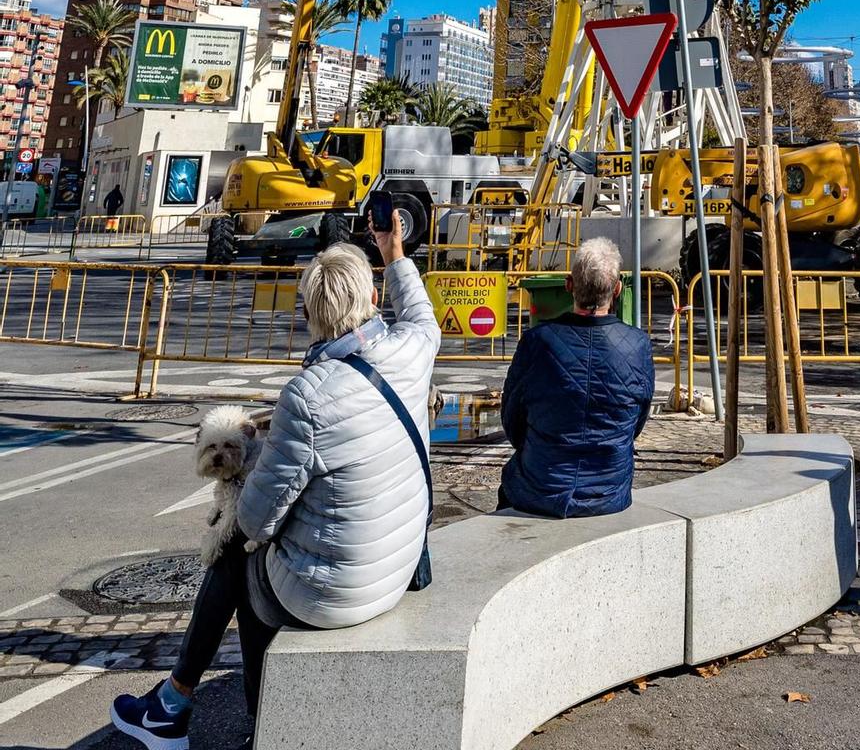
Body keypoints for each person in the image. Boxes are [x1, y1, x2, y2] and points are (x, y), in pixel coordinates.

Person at [110, 212, 440, 747]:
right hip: (400, 565)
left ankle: (212, 714)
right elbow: (421, 312)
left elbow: (256, 518)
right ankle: (189, 706)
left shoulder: (308, 395)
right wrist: (392, 249)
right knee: (252, 556)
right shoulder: (414, 348)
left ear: (310, 314)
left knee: (237, 558)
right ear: (373, 297)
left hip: (339, 589)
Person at [498, 236, 654, 518]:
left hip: (541, 485)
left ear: (569, 285)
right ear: (617, 290)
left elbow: (512, 417)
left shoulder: (537, 341)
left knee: (509, 485)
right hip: (609, 490)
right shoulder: (638, 345)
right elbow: (636, 421)